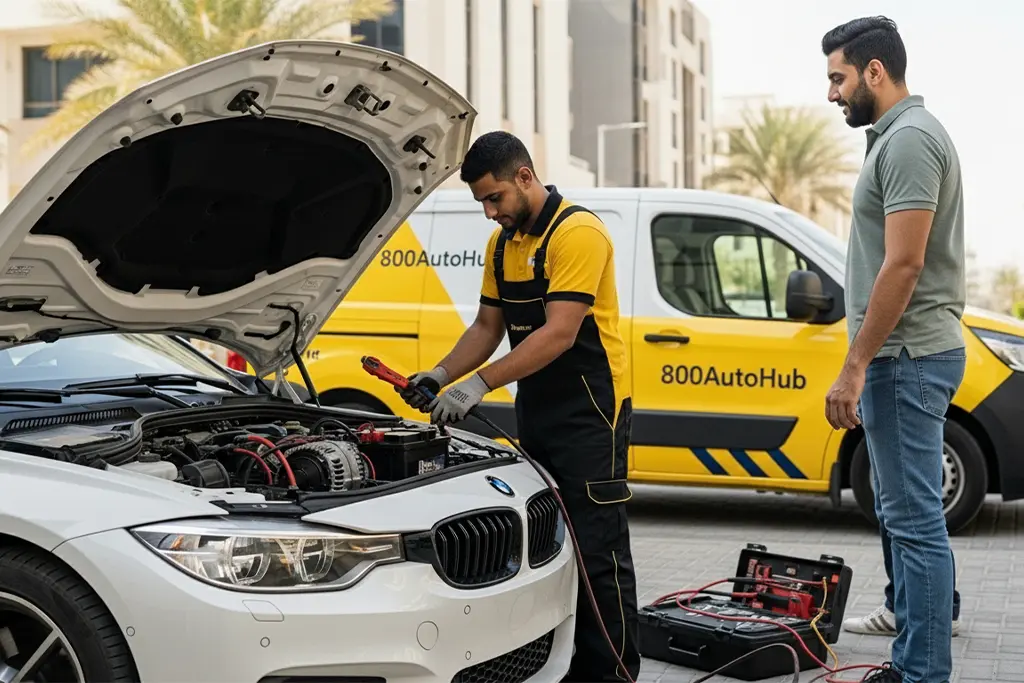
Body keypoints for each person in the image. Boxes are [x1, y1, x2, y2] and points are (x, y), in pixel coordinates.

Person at [396, 130, 642, 683]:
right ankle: (558, 663)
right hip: (539, 408)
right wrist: (440, 375)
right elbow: (488, 326)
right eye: (481, 202)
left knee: (597, 552)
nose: (488, 212)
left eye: (494, 198)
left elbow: (557, 334)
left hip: (592, 413)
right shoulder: (502, 245)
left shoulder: (577, 233)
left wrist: (477, 386)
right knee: (549, 545)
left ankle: (614, 674)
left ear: (524, 178)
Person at [821, 15, 967, 683]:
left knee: (914, 527)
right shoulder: (897, 138)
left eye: (838, 77)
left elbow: (903, 266)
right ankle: (911, 662)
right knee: (904, 521)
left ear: (874, 72)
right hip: (900, 359)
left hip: (905, 360)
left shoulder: (908, 141)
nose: (832, 93)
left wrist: (855, 366)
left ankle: (923, 673)